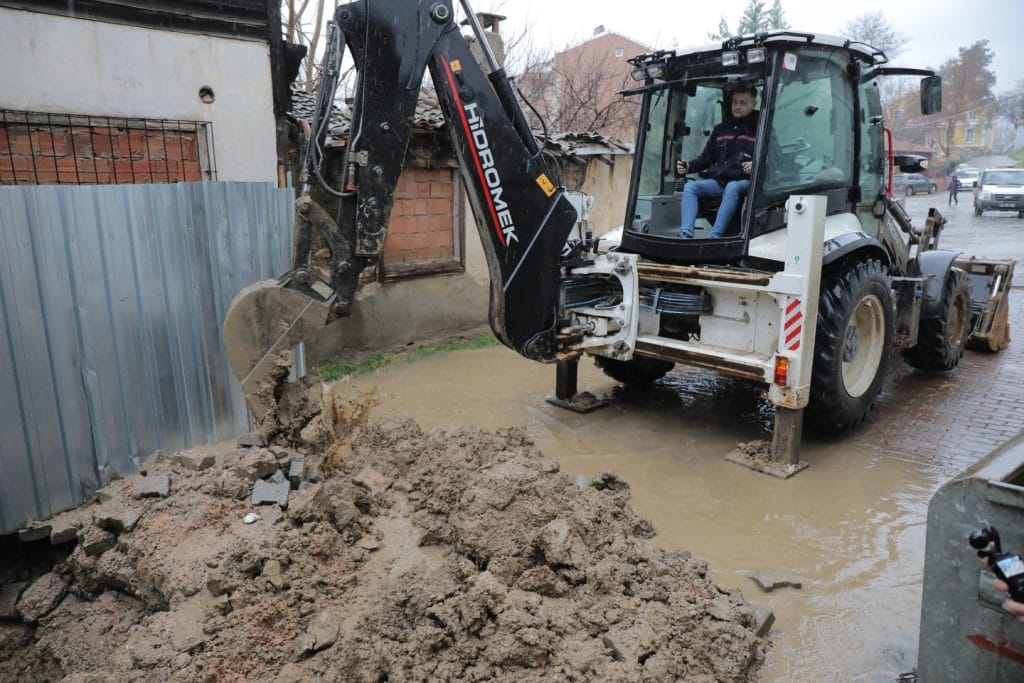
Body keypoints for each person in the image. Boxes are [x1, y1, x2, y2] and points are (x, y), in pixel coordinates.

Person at [675, 85, 759, 238]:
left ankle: (715, 236)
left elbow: (774, 160)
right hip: (720, 181)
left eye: (743, 103)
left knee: (733, 187)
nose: (737, 107)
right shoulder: (721, 129)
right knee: (690, 187)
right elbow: (706, 158)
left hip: (746, 182)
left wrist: (756, 165)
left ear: (754, 103)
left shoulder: (761, 127)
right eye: (734, 102)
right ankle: (686, 234)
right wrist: (689, 166)